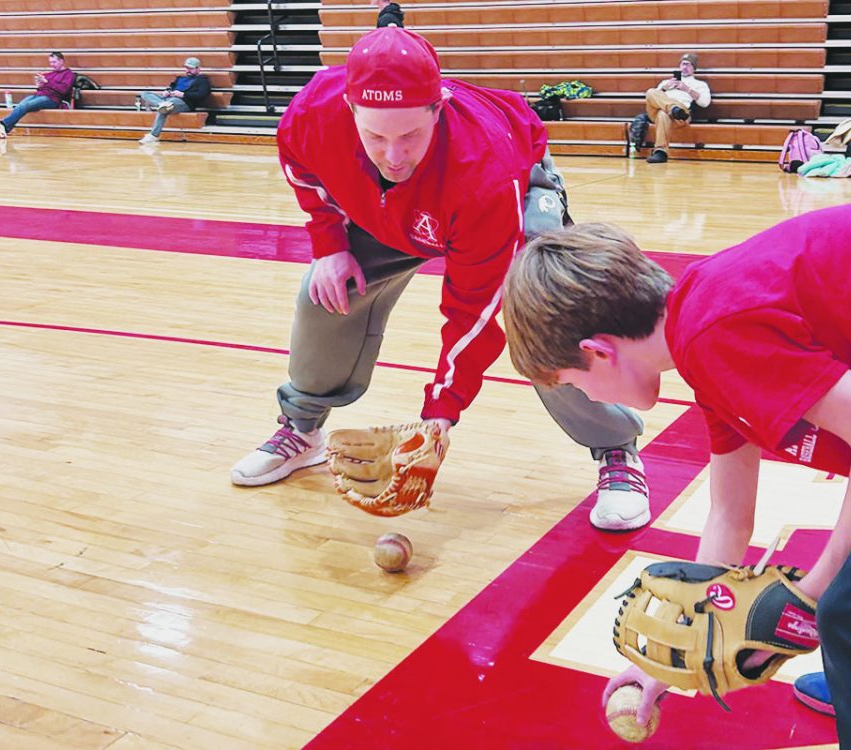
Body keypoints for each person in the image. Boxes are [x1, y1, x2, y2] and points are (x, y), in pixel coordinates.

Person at [500, 201, 851, 750]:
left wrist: (812, 596)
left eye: (573, 384)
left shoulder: (713, 336)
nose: (588, 396)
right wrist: (667, 658)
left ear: (596, 352)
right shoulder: (703, 328)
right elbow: (730, 513)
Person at [229, 26, 652, 531]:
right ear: (348, 108)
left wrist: (439, 417)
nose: (393, 155)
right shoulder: (311, 114)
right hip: (390, 209)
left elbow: (476, 312)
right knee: (324, 294)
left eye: (410, 134)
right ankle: (303, 431)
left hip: (499, 195)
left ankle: (615, 449)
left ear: (439, 106)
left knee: (545, 312)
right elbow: (301, 169)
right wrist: (330, 246)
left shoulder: (485, 172)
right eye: (376, 137)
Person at [628, 53, 711, 164]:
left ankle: (660, 152)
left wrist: (687, 89)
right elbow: (652, 99)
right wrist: (664, 88)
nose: (685, 67)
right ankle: (672, 109)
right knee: (651, 92)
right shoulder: (666, 83)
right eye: (683, 64)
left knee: (663, 114)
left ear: (694, 68)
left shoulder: (699, 84)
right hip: (660, 110)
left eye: (688, 65)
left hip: (682, 114)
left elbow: (704, 103)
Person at [0, 52, 75, 139]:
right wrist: (39, 85)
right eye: (50, 62)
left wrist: (47, 82)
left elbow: (63, 90)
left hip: (53, 99)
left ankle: (3, 124)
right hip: (40, 95)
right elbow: (42, 88)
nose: (52, 64)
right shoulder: (48, 74)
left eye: (54, 62)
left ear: (61, 61)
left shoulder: (69, 74)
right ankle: (5, 128)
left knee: (25, 105)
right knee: (21, 105)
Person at [138, 56, 212, 145]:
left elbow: (202, 95)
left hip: (184, 102)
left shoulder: (203, 81)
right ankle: (163, 104)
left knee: (164, 109)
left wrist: (183, 95)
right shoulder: (180, 78)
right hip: (169, 99)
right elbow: (171, 87)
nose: (188, 70)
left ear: (198, 69)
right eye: (187, 68)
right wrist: (167, 91)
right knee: (145, 93)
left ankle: (154, 135)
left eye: (191, 68)